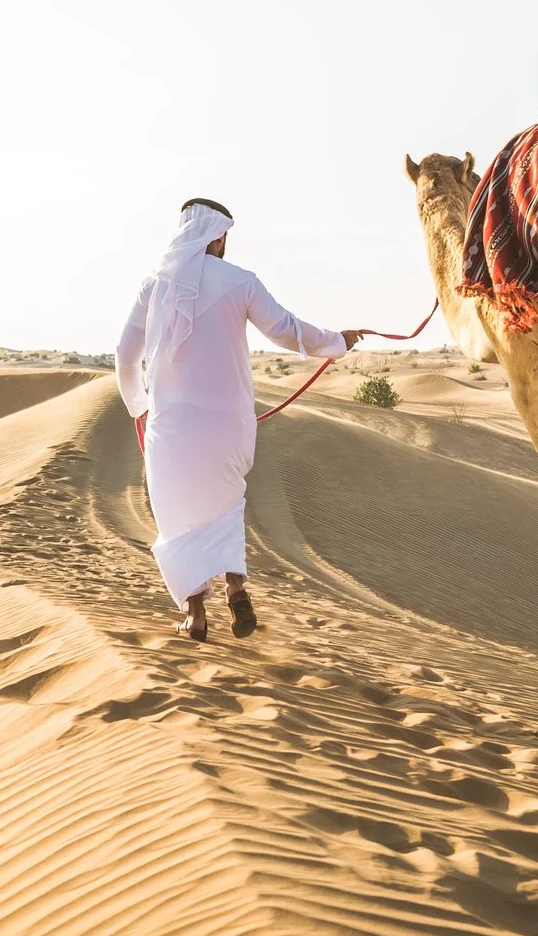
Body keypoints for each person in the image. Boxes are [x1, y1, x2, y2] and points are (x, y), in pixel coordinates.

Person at [115, 198, 364, 641]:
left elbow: (124, 355)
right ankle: (235, 587)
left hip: (172, 425)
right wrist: (337, 342)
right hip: (229, 425)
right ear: (219, 235)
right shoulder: (241, 282)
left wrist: (139, 404)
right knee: (225, 508)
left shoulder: (153, 285)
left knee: (177, 518)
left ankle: (195, 615)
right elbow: (287, 330)